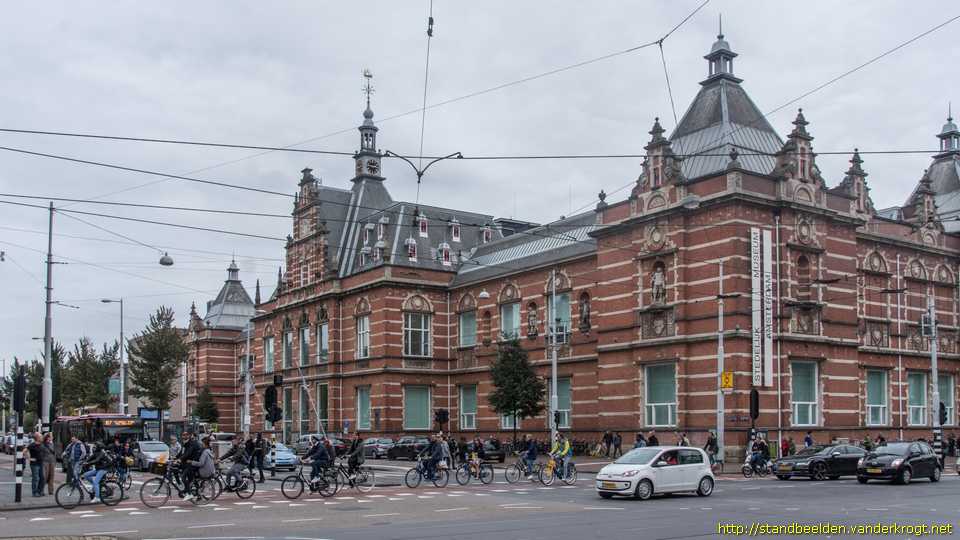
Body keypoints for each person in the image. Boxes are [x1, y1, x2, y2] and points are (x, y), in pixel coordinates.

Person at [179, 431, 202, 500]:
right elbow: (182, 453)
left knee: (183, 477)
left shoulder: (192, 443)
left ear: (190, 435)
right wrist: (175, 458)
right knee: (191, 480)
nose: (184, 436)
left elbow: (188, 453)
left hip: (193, 464)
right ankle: (197, 494)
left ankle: (189, 493)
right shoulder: (185, 443)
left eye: (186, 435)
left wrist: (180, 459)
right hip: (187, 463)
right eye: (183, 435)